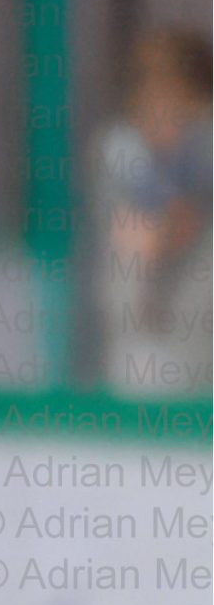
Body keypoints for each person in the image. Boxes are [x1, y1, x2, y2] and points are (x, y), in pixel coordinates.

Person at [91, 26, 213, 395]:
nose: (155, 104)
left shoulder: (204, 151)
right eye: (147, 89)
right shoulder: (121, 153)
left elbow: (179, 225)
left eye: (173, 95)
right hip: (140, 357)